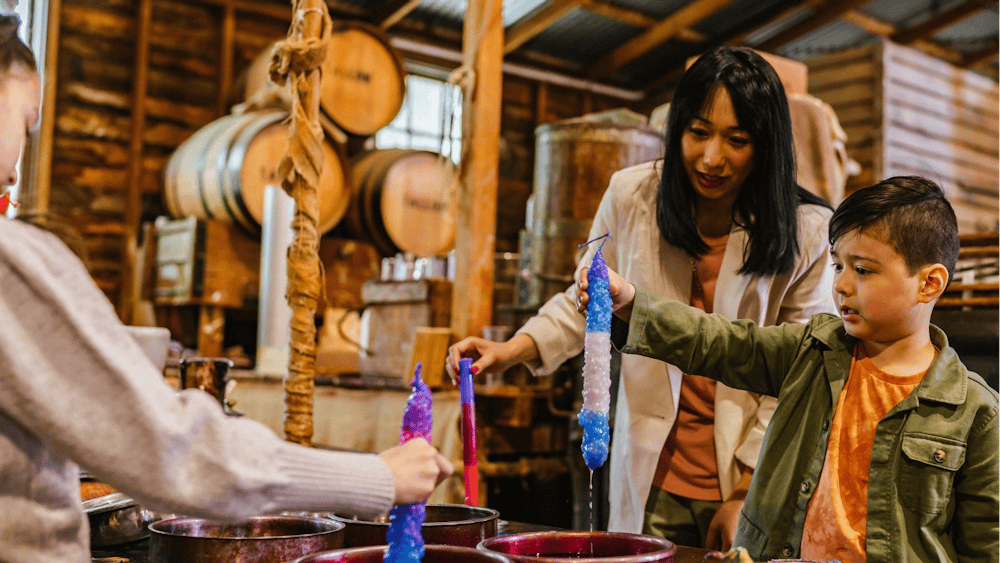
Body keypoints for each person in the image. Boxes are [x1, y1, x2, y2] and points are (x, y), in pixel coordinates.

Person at [0, 15, 453, 563]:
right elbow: (174, 453)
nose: (18, 162)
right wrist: (379, 476)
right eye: (26, 121)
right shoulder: (12, 258)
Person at [448, 46, 835, 547]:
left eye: (736, 140)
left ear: (766, 147)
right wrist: (512, 350)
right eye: (698, 133)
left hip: (746, 475)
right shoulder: (631, 195)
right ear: (676, 131)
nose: (711, 158)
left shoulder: (808, 232)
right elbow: (586, 301)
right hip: (652, 473)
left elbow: (798, 372)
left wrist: (746, 490)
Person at [580, 176, 1000, 563]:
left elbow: (986, 543)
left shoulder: (975, 413)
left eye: (864, 270)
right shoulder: (812, 350)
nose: (841, 284)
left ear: (929, 283)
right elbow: (721, 342)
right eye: (838, 265)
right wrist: (632, 301)